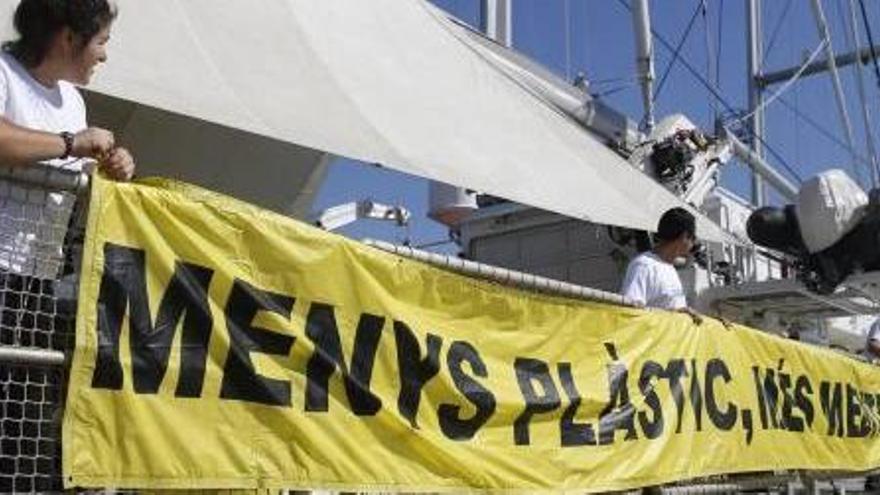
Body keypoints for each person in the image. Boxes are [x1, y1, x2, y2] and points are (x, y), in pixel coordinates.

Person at [620, 207, 702, 324]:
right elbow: (629, 313)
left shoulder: (669, 268)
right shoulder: (644, 265)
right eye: (693, 238)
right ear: (684, 236)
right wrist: (674, 315)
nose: (693, 243)